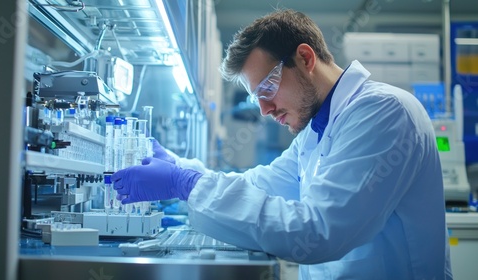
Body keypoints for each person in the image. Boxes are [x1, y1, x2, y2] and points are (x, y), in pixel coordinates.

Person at [112, 9, 453, 279]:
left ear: (305, 59)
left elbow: (318, 232)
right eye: (255, 97)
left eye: (266, 89)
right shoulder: (316, 131)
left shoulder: (383, 111)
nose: (263, 110)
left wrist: (185, 184)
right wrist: (182, 170)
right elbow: (261, 184)